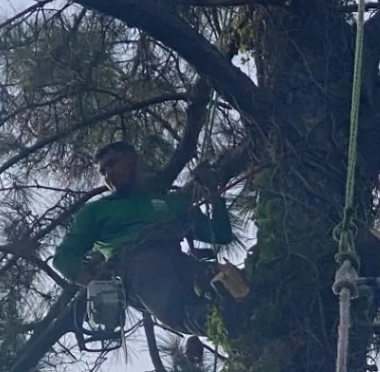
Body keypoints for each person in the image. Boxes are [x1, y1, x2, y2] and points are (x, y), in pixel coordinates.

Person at [52, 140, 247, 338]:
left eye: (112, 164)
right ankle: (219, 323)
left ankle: (246, 312)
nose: (108, 175)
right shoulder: (95, 211)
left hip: (178, 261)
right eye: (103, 172)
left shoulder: (170, 202)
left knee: (232, 281)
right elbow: (63, 257)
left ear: (132, 160)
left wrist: (214, 193)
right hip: (136, 267)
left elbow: (220, 235)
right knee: (181, 309)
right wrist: (96, 283)